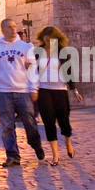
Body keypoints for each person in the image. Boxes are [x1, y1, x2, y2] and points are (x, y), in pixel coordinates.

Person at [0, 17, 43, 166]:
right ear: (3, 29)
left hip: (23, 91)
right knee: (7, 126)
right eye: (10, 27)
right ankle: (13, 156)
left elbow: (33, 68)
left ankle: (35, 144)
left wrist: (34, 87)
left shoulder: (25, 46)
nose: (13, 29)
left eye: (14, 26)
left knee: (30, 122)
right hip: (4, 92)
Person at [32, 25, 82, 162]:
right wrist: (33, 89)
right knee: (48, 121)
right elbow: (33, 71)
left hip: (60, 90)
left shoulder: (62, 52)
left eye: (51, 40)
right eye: (46, 40)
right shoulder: (38, 51)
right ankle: (55, 155)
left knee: (64, 121)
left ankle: (68, 143)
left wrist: (75, 90)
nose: (48, 43)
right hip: (43, 90)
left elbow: (69, 72)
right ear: (43, 39)